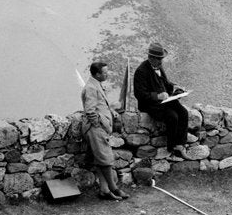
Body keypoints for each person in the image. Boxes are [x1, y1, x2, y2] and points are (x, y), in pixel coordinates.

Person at [133, 42, 193, 160]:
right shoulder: (141, 71)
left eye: (161, 59)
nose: (161, 61)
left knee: (183, 113)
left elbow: (165, 83)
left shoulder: (158, 67)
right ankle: (172, 148)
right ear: (151, 58)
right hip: (151, 105)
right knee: (172, 116)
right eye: (159, 59)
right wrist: (158, 96)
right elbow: (140, 94)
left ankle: (181, 145)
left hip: (164, 101)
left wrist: (176, 88)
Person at [81, 61, 130, 201]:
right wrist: (99, 125)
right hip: (96, 129)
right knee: (106, 160)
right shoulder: (91, 88)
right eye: (105, 72)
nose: (107, 74)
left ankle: (104, 190)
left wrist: (110, 112)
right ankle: (114, 188)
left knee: (100, 160)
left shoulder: (96, 84)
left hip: (99, 129)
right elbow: (90, 111)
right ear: (97, 74)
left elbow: (99, 106)